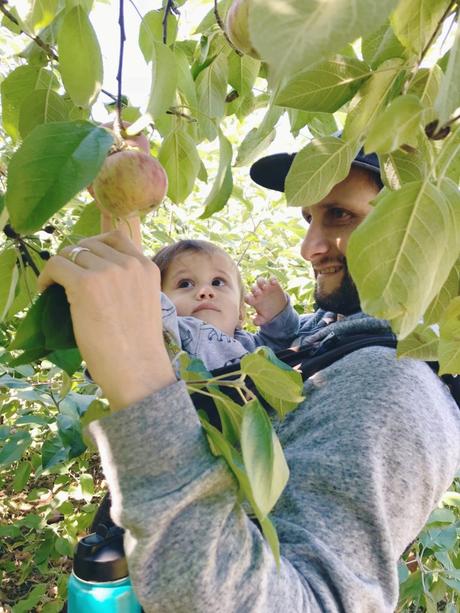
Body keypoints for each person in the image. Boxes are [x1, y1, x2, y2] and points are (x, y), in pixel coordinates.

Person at [38, 149, 460, 612]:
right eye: (308, 217)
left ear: (427, 226)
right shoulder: (330, 333)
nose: (309, 247)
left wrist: (141, 384)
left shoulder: (394, 387)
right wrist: (122, 206)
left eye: (340, 215)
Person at [154, 239, 300, 370]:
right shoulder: (167, 333)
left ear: (240, 312)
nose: (205, 291)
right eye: (185, 284)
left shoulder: (249, 345)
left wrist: (278, 314)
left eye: (217, 282)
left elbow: (282, 342)